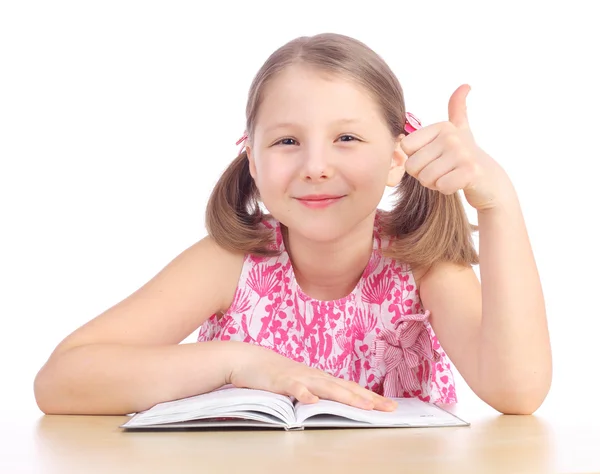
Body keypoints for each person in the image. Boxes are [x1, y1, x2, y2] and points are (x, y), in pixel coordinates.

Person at [34, 33, 552, 417]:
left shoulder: (422, 267)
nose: (315, 166)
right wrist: (237, 362)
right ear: (253, 163)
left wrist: (498, 202)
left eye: (346, 138)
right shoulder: (229, 263)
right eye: (287, 141)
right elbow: (61, 381)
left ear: (398, 156)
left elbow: (518, 391)